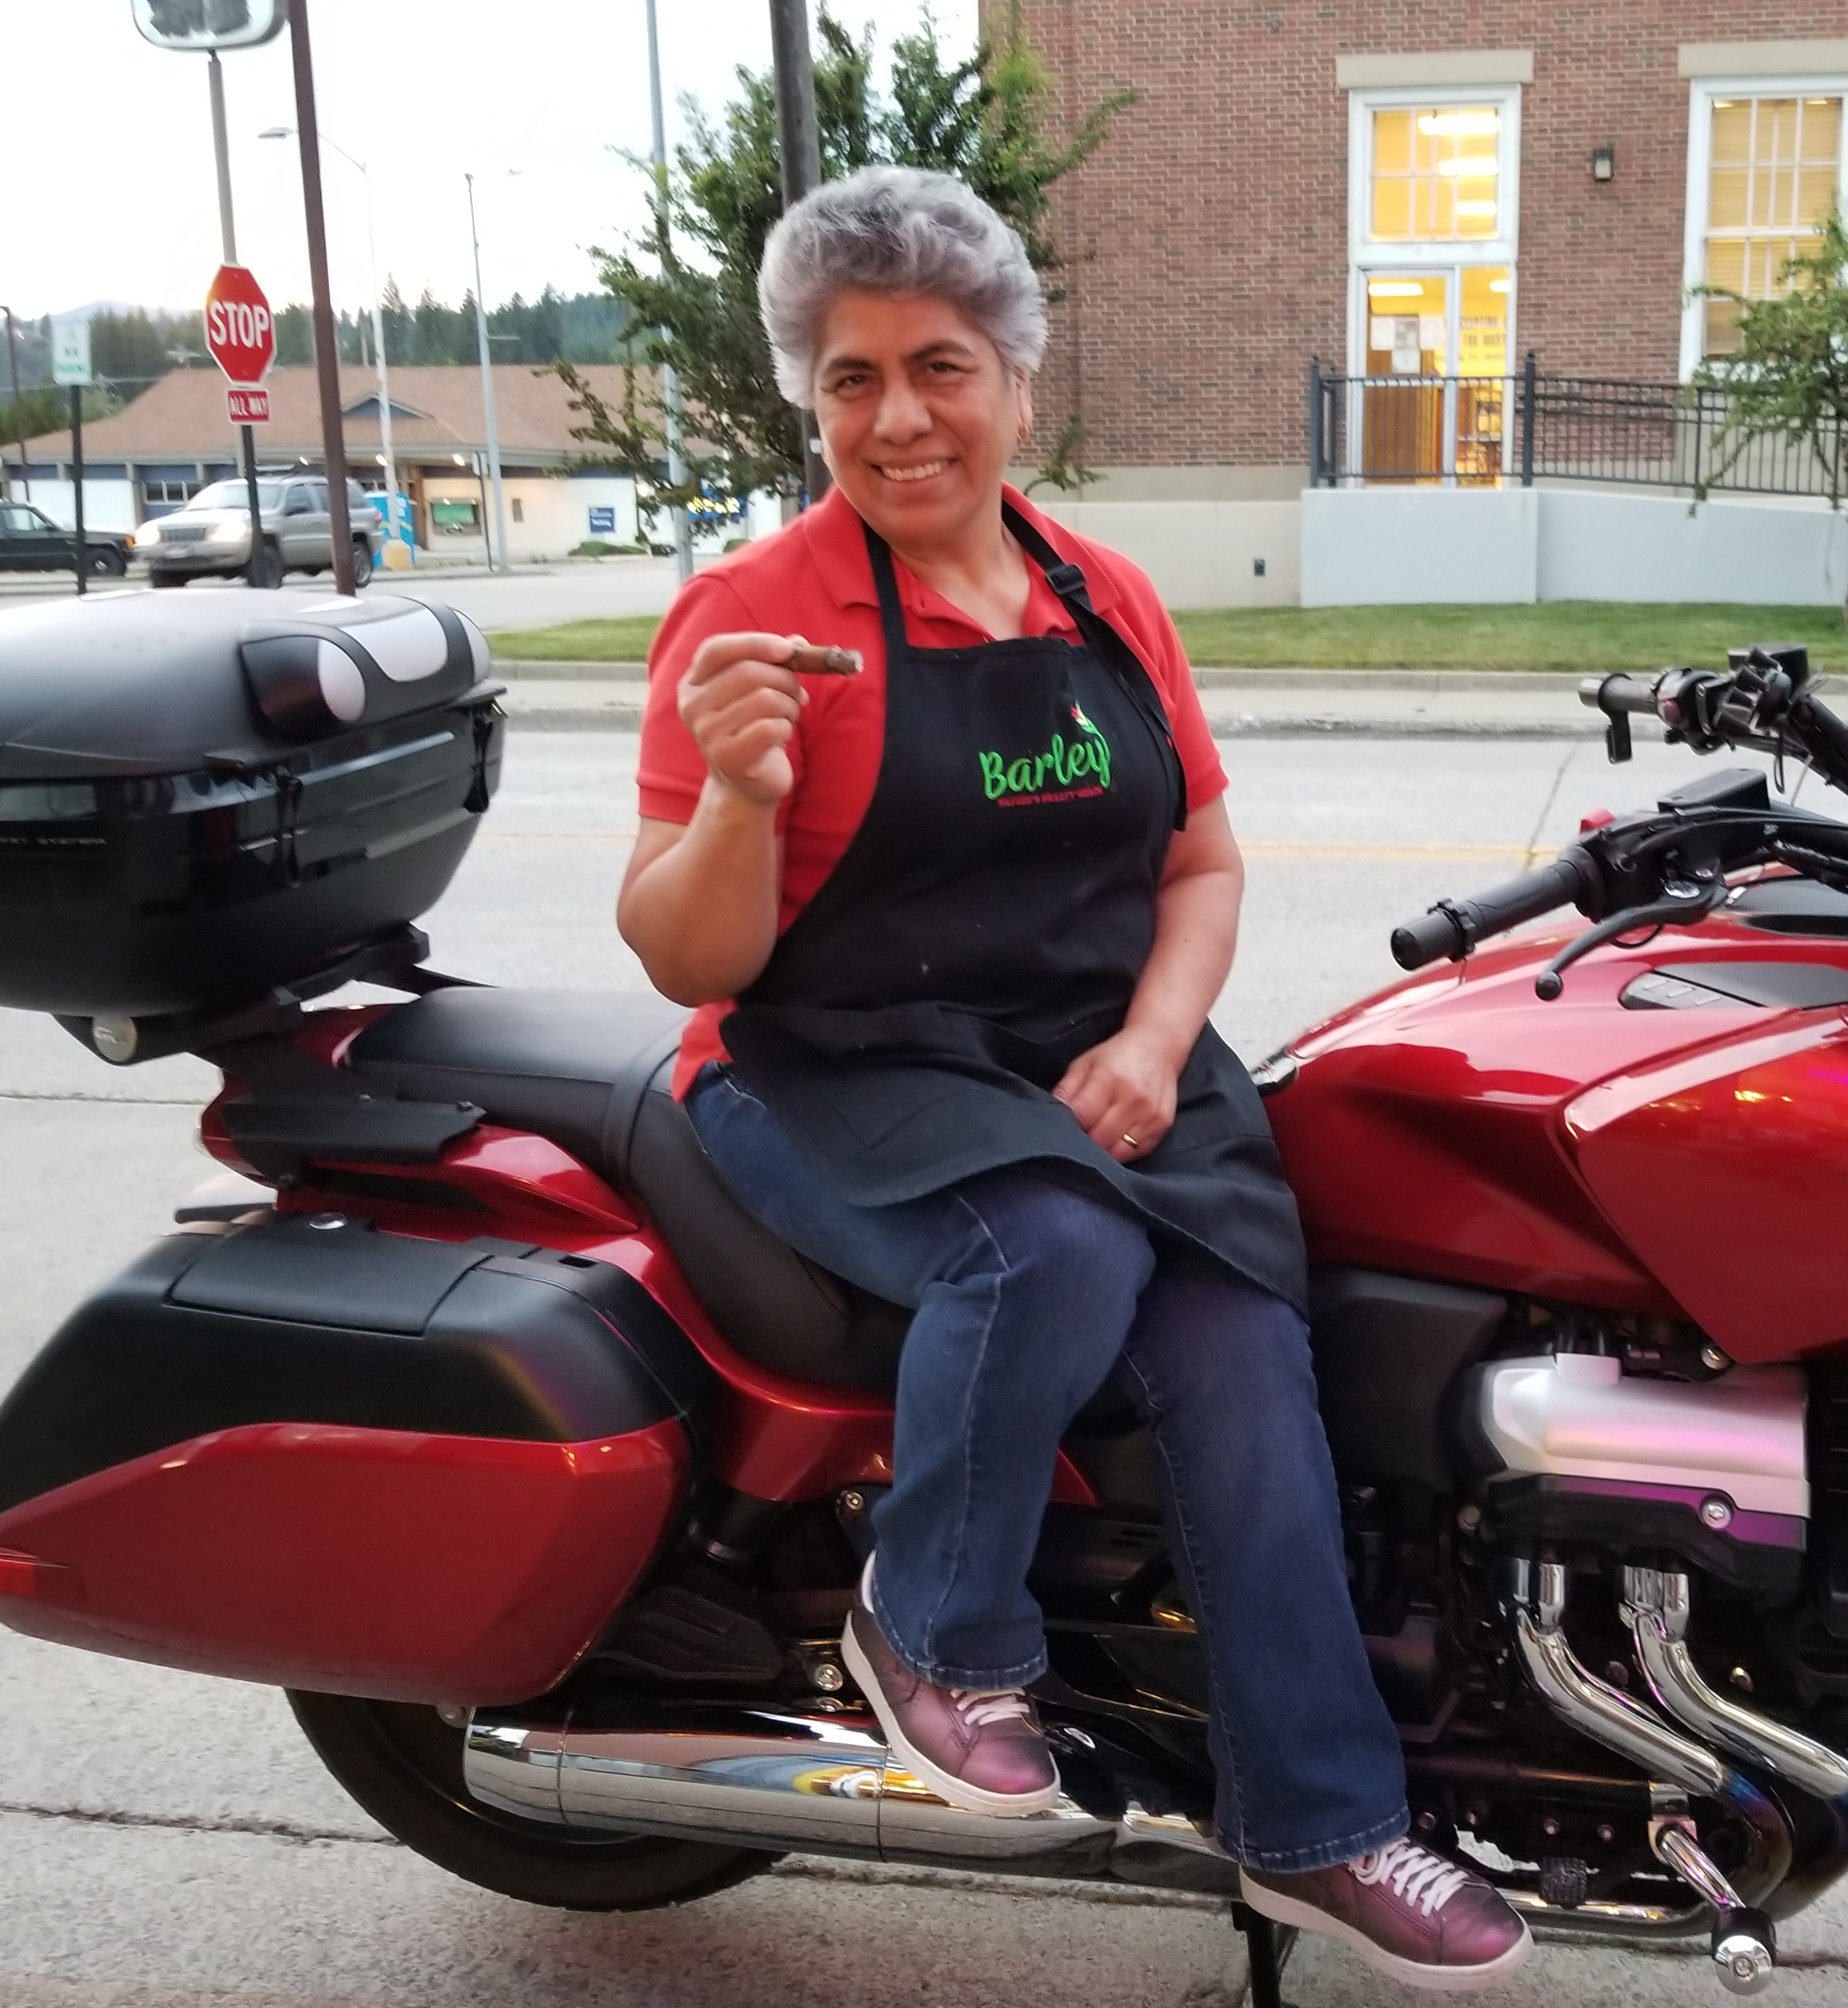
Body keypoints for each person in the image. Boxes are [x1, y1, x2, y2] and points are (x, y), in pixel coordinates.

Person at [616, 167, 1530, 1989]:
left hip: (1085, 1056)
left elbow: (1199, 862)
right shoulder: (760, 614)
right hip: (827, 1060)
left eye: (939, 366)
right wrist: (737, 795)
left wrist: (1152, 1042)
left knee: (1246, 1346)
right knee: (1049, 1245)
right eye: (851, 378)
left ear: (1019, 381)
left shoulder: (1097, 595)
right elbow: (685, 960)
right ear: (814, 398)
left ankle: (1322, 1824)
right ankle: (937, 1621)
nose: (898, 418)